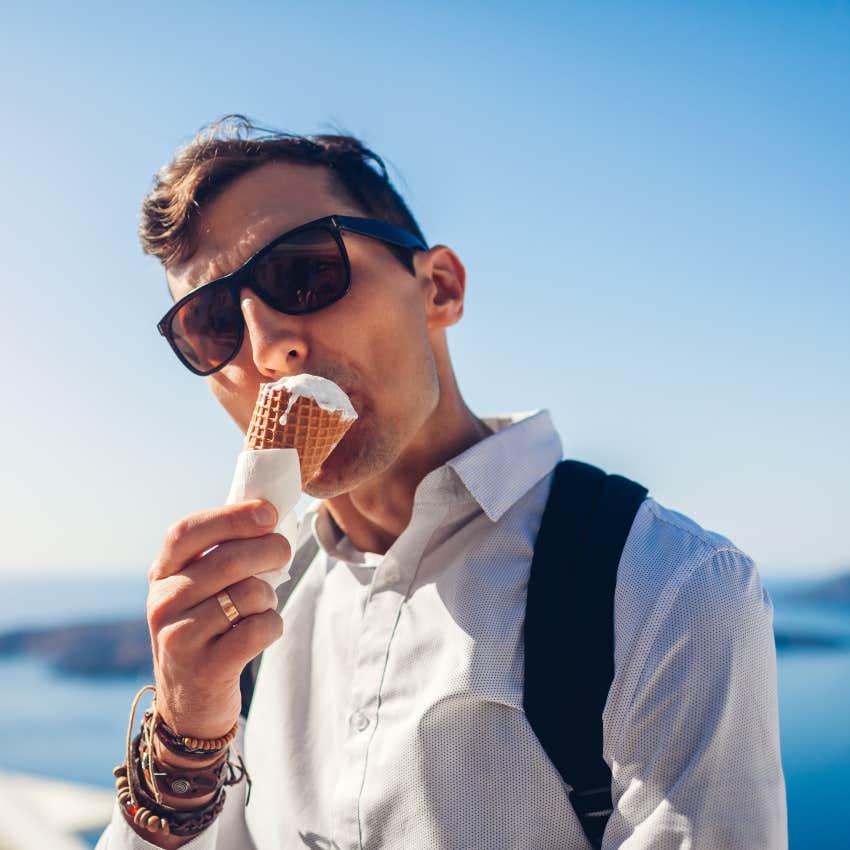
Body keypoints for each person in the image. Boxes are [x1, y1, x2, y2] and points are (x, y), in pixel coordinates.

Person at [96, 116, 787, 850]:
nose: (269, 351)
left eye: (303, 273)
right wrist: (185, 735)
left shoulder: (668, 590)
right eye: (210, 325)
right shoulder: (262, 606)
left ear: (440, 289)